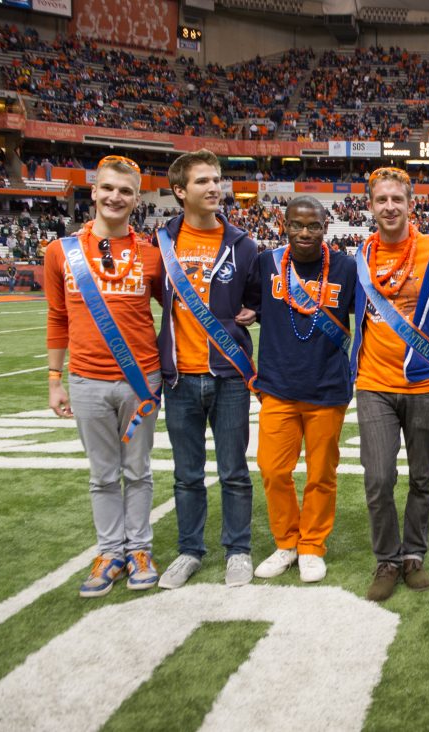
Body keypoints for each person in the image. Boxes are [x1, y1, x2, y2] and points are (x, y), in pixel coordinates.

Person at [45, 154, 165, 597]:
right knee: (102, 474)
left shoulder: (152, 255)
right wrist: (54, 378)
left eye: (126, 191)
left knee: (138, 470)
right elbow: (57, 317)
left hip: (141, 380)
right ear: (93, 191)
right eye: (108, 188)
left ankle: (139, 549)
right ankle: (110, 550)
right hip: (88, 382)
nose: (116, 197)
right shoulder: (60, 252)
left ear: (137, 199)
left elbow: (170, 314)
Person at [155, 149, 260, 590]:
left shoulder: (244, 244)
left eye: (217, 179)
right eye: (202, 181)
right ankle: (189, 550)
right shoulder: (160, 244)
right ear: (180, 191)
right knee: (186, 473)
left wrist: (252, 310)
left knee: (234, 470)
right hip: (179, 377)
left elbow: (256, 297)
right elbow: (158, 301)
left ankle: (238, 550)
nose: (215, 187)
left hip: (230, 376)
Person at [352, 167, 429, 602]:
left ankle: (414, 554)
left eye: (397, 199)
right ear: (371, 205)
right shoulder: (358, 256)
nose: (390, 207)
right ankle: (387, 559)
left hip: (424, 383)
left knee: (422, 476)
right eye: (382, 200)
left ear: (410, 203)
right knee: (378, 479)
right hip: (372, 384)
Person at [246, 196, 357, 583]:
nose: (305, 233)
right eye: (297, 225)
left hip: (327, 387)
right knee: (273, 470)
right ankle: (286, 542)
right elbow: (244, 307)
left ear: (326, 227)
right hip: (277, 386)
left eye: (313, 226)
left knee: (320, 474)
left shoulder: (346, 267)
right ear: (284, 225)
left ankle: (312, 545)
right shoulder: (266, 263)